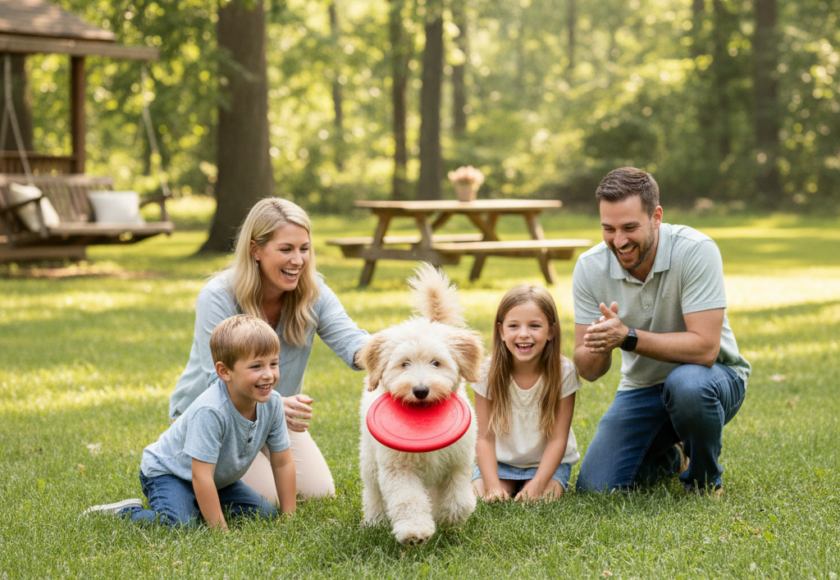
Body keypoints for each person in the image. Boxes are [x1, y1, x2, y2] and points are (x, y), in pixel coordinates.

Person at [168, 198, 369, 501]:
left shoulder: (314, 292)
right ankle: (182, 479)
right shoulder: (218, 296)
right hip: (215, 419)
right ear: (255, 250)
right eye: (286, 249)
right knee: (272, 498)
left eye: (304, 248)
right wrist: (276, 402)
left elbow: (354, 344)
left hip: (274, 418)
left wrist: (404, 351)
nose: (298, 260)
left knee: (319, 493)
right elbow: (217, 381)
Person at [572, 167, 751, 495]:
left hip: (711, 379)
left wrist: (626, 336)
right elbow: (588, 370)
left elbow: (705, 349)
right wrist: (599, 343)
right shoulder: (589, 267)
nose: (619, 241)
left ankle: (702, 481)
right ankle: (671, 456)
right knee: (596, 488)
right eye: (608, 229)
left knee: (687, 385)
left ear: (656, 216)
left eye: (629, 228)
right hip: (642, 388)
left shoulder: (695, 250)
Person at [83, 315, 295, 528]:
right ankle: (125, 513)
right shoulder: (211, 410)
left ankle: (197, 506)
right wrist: (220, 532)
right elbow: (200, 476)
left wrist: (289, 518)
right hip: (170, 474)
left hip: (217, 482)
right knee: (181, 525)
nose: (268, 374)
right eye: (256, 366)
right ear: (224, 371)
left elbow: (282, 462)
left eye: (273, 363)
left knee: (265, 515)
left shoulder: (273, 403)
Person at [471, 284, 582, 502]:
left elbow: (558, 439)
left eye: (534, 325)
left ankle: (535, 482)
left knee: (544, 498)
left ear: (551, 331)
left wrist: (537, 485)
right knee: (481, 495)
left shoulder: (563, 372)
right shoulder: (487, 371)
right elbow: (483, 437)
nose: (524, 334)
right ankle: (503, 483)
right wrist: (493, 485)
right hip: (500, 462)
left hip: (546, 465)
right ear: (501, 331)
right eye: (514, 326)